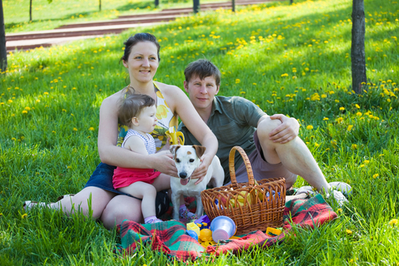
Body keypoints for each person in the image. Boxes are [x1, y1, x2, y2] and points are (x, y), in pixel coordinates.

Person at [23, 33, 219, 228]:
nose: (146, 64)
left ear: (158, 61)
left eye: (152, 58)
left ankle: (109, 204)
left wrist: (207, 158)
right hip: (119, 170)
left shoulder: (172, 94)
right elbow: (106, 152)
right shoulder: (113, 103)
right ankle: (48, 206)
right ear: (125, 62)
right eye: (138, 57)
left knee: (116, 217)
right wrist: (151, 160)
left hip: (155, 178)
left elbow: (207, 136)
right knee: (83, 210)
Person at [178, 59, 349, 203]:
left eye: (209, 85)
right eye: (197, 84)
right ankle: (305, 195)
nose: (203, 91)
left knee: (269, 126)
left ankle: (326, 190)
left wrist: (292, 123)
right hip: (234, 184)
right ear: (186, 85)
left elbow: (269, 123)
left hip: (265, 163)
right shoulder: (183, 130)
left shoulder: (235, 106)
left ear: (217, 88)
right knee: (230, 204)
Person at [113, 93, 170, 224]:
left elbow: (152, 156)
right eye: (151, 116)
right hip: (128, 180)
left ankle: (181, 208)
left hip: (144, 176)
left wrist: (167, 147)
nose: (156, 119)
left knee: (172, 178)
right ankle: (151, 219)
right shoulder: (134, 139)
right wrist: (163, 155)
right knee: (148, 190)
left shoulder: (147, 136)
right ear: (136, 121)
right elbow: (149, 161)